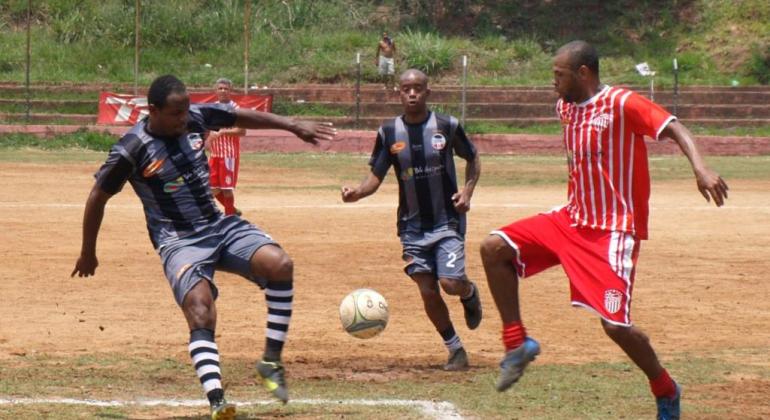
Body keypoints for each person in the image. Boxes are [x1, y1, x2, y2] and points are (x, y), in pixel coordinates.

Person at [480, 41, 728, 419]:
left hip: (612, 231)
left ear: (583, 73)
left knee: (615, 326)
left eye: (558, 74)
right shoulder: (564, 107)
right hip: (570, 220)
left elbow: (674, 126)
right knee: (493, 248)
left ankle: (665, 387)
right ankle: (517, 344)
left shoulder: (622, 103)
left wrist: (701, 169)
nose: (553, 82)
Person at [71, 74, 336, 420]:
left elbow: (240, 116)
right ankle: (217, 401)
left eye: (186, 111)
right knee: (200, 309)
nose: (184, 118)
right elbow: (98, 196)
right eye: (175, 113)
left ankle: (270, 362)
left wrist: (292, 125)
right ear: (153, 111)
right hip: (179, 241)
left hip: (220, 225)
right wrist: (88, 251)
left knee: (280, 265)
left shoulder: (196, 116)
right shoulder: (131, 149)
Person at [341, 69, 483, 371]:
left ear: (427, 92)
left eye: (418, 88)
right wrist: (356, 192)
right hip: (412, 226)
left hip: (447, 221)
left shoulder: (447, 125)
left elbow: (472, 157)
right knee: (428, 290)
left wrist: (467, 192)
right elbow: (375, 178)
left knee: (449, 282)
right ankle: (455, 349)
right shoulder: (389, 132)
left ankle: (468, 292)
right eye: (406, 89)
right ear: (399, 93)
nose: (412, 94)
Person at [206, 78, 245, 216]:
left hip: (229, 155)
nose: (223, 91)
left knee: (227, 189)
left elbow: (241, 131)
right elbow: (208, 129)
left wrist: (223, 131)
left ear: (231, 91)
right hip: (215, 155)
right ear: (215, 90)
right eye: (220, 88)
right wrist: (206, 141)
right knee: (212, 189)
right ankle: (232, 211)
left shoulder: (236, 109)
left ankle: (230, 219)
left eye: (226, 88)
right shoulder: (212, 108)